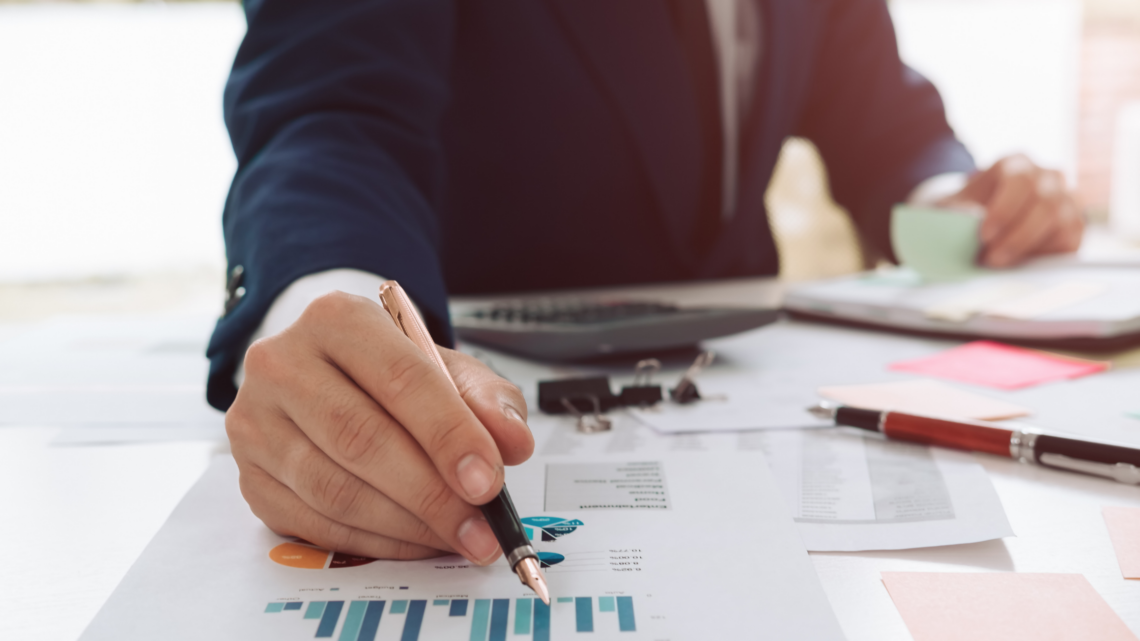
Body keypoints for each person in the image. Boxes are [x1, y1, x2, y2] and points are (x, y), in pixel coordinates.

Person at [208, 0, 1083, 568]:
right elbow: (330, 111)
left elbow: (881, 114)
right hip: (482, 386)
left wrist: (962, 205)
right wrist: (337, 302)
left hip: (748, 399)